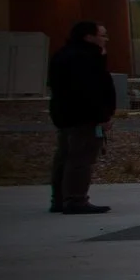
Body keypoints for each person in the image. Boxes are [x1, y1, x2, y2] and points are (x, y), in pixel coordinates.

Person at [48, 20, 116, 214]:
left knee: (65, 156)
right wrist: (102, 115)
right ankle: (76, 199)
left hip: (65, 115)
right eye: (102, 35)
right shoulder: (85, 59)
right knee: (81, 158)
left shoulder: (63, 54)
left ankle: (60, 199)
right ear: (89, 37)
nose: (105, 39)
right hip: (84, 117)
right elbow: (90, 90)